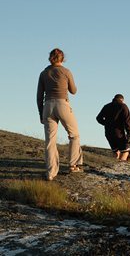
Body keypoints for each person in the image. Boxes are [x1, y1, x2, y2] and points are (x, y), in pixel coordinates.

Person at [37, 48, 83, 181]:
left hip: (48, 106)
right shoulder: (66, 71)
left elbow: (39, 96)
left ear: (50, 58)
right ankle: (73, 165)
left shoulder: (43, 73)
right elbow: (73, 91)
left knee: (50, 141)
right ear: (62, 59)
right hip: (62, 104)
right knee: (74, 135)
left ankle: (51, 172)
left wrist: (41, 114)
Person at [96, 94, 130, 161]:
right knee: (125, 151)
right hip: (119, 133)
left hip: (108, 132)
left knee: (116, 152)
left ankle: (115, 166)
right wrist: (129, 133)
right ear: (122, 100)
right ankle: (120, 167)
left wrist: (106, 124)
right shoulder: (123, 106)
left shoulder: (106, 106)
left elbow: (98, 118)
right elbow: (127, 121)